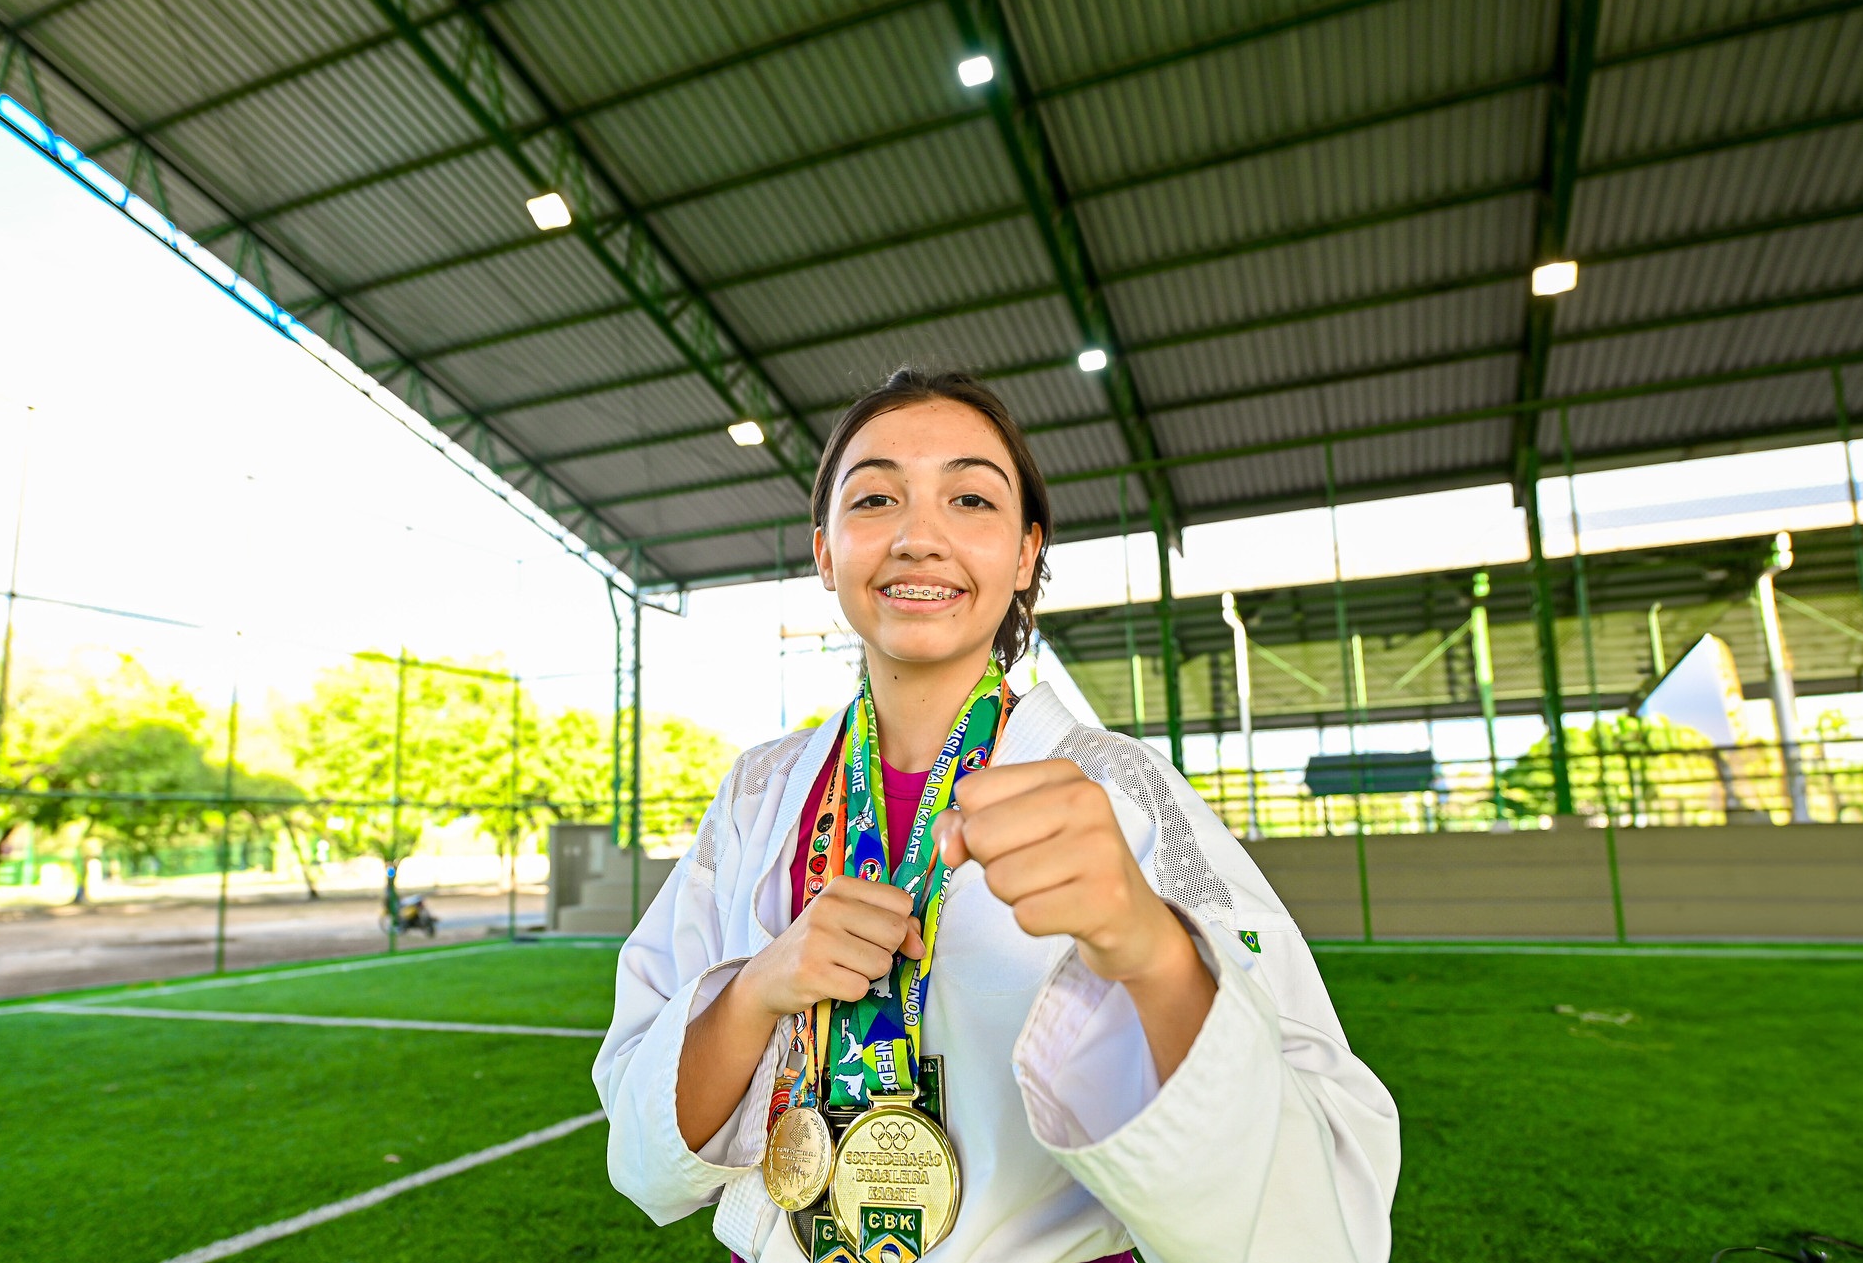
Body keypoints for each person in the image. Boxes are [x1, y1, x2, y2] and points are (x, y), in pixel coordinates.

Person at [594, 368, 1399, 1262]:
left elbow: (1318, 1206)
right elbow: (643, 1154)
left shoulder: (1125, 791)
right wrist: (756, 989)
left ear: (1024, 555)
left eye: (971, 497)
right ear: (825, 552)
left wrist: (1151, 947)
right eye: (874, 499)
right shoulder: (758, 793)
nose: (916, 537)